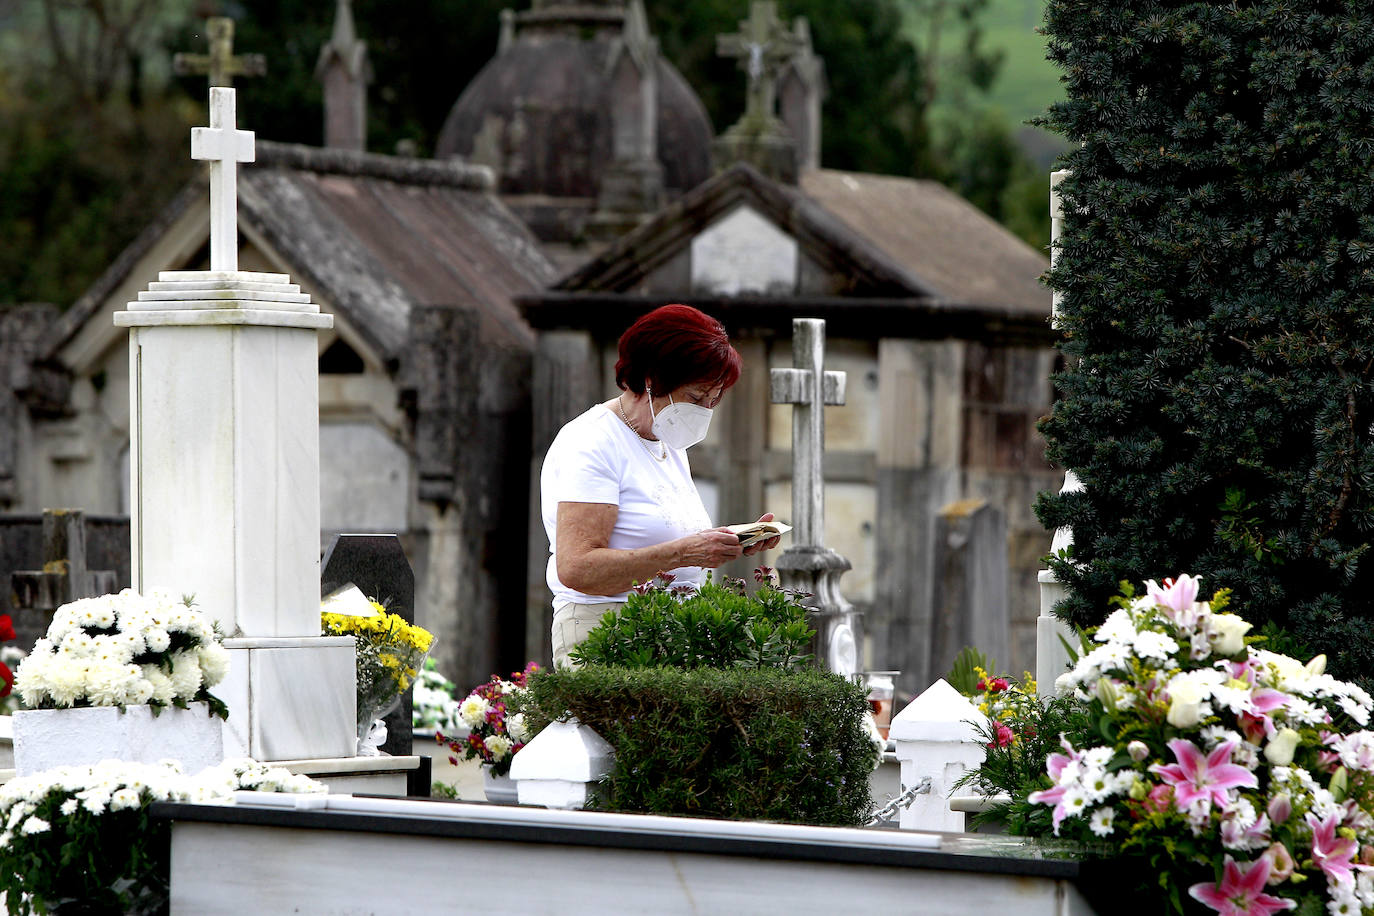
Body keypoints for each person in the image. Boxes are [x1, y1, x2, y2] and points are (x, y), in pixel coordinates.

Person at [540, 304, 782, 668]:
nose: (706, 410)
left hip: (671, 631)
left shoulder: (668, 444)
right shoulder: (592, 440)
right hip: (607, 633)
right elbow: (577, 568)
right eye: (697, 397)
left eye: (714, 399)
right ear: (652, 379)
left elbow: (664, 539)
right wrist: (686, 553)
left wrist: (728, 541)